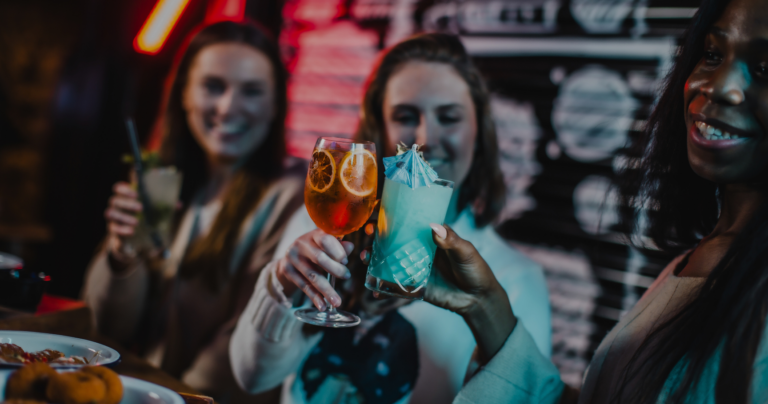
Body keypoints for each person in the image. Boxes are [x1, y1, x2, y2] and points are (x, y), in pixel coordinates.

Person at [414, 0, 768, 402]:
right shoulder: (701, 257)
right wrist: (486, 307)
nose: (718, 86)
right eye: (711, 55)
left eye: (764, 70)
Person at [229, 33, 552, 404]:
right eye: (404, 116)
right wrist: (283, 284)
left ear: (479, 133)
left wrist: (487, 318)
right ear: (378, 131)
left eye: (449, 117)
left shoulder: (517, 282)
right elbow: (250, 377)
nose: (426, 138)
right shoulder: (320, 229)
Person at [82, 21, 304, 401]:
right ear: (183, 93)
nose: (228, 106)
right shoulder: (164, 181)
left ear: (275, 105)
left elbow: (240, 351)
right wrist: (122, 253)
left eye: (251, 91)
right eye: (213, 86)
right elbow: (104, 328)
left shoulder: (293, 194)